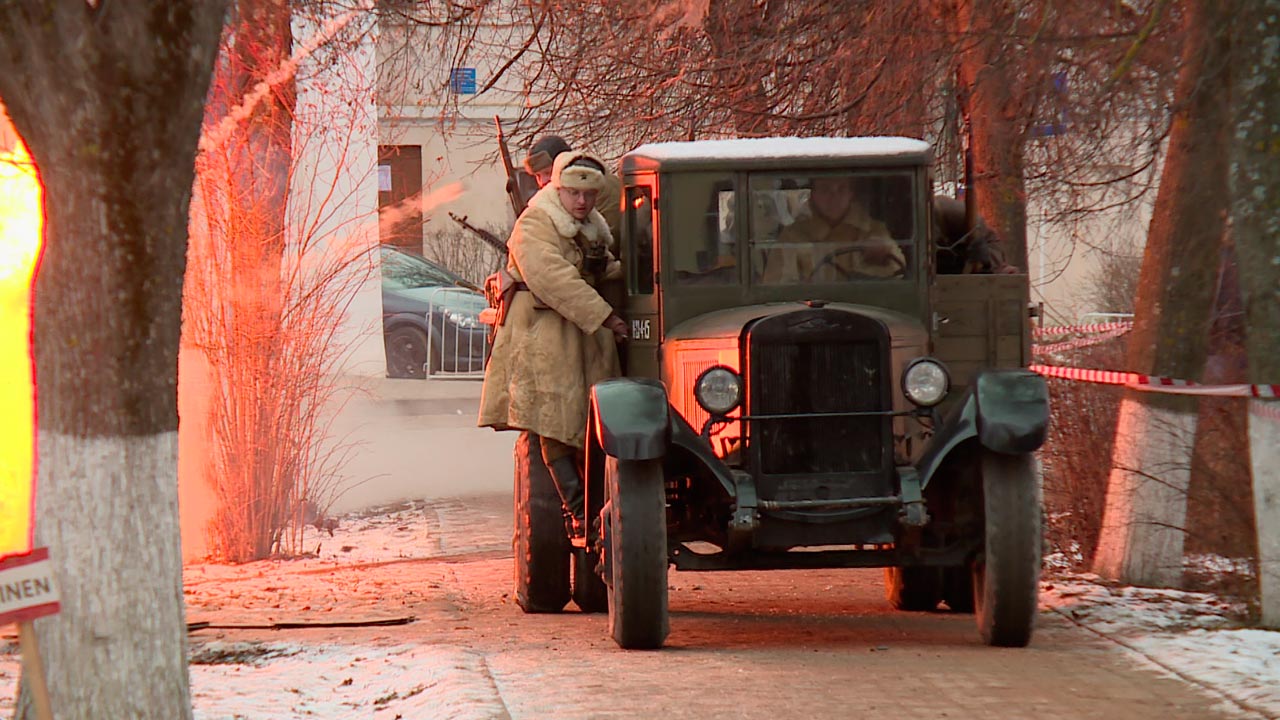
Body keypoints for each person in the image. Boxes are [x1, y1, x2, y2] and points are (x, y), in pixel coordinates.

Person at [479, 150, 628, 537]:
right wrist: (607, 316)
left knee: (587, 422)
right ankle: (578, 509)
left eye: (589, 195)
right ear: (556, 189)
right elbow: (553, 276)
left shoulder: (593, 225)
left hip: (579, 334)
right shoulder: (535, 223)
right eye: (573, 194)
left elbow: (602, 264)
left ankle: (597, 509)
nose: (582, 202)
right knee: (554, 420)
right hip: (542, 333)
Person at [761, 175, 906, 282]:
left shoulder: (873, 231)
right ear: (813, 195)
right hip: (809, 312)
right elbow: (776, 286)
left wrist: (881, 256)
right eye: (825, 189)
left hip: (865, 308)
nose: (834, 196)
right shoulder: (793, 235)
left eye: (841, 189)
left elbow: (897, 274)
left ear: (851, 194)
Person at [524, 135, 622, 250]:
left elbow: (606, 241)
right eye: (538, 176)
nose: (542, 181)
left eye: (548, 172)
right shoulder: (593, 180)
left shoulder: (595, 186)